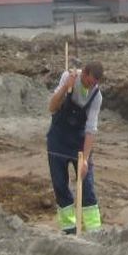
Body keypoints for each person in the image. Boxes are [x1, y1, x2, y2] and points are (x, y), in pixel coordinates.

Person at [46, 60, 104, 234]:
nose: (91, 86)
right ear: (84, 74)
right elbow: (51, 107)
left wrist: (85, 159)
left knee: (86, 186)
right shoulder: (68, 77)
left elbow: (91, 130)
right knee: (60, 185)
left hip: (79, 143)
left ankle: (95, 231)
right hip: (58, 140)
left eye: (95, 84)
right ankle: (69, 229)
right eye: (89, 82)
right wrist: (65, 87)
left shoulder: (97, 96)